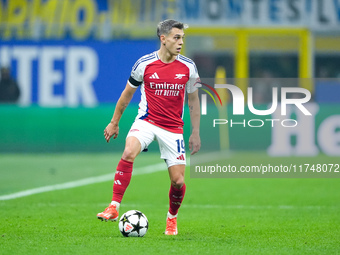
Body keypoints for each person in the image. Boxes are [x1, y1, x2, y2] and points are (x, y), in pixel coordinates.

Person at [97, 19, 201, 235]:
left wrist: (196, 132)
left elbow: (193, 100)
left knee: (178, 181)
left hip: (173, 128)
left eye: (182, 38)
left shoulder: (189, 67)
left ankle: (171, 218)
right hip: (147, 121)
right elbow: (127, 95)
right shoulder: (144, 64)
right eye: (176, 37)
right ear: (163, 39)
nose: (181, 42)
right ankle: (114, 206)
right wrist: (114, 122)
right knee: (128, 151)